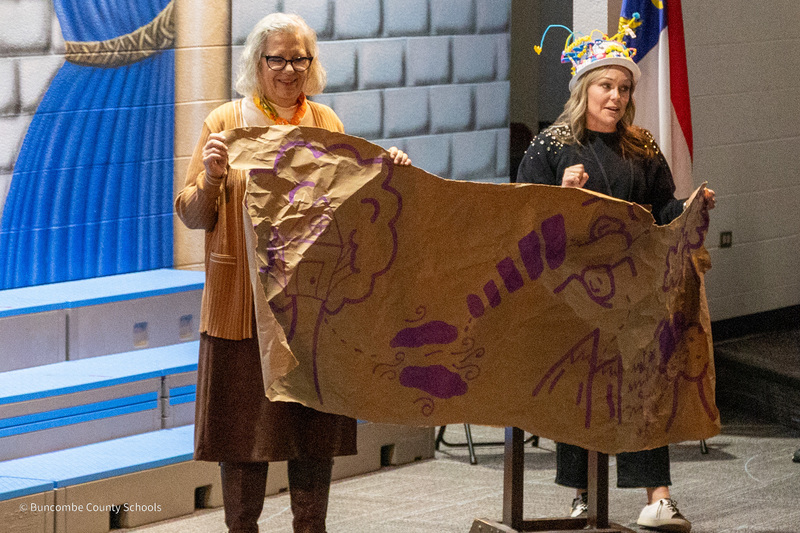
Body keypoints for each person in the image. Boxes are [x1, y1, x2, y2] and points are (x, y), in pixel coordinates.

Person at [175, 13, 410, 533]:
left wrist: (385, 172)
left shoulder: (327, 124)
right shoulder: (225, 123)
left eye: (298, 58)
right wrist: (214, 180)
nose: (287, 69)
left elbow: (351, 210)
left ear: (312, 63)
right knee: (242, 441)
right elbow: (192, 213)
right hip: (242, 310)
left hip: (312, 314)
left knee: (312, 438)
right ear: (256, 63)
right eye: (276, 58)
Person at [517, 20, 715, 533]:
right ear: (584, 89)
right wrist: (561, 192)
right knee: (582, 385)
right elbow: (522, 216)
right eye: (607, 85)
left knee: (643, 383)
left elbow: (663, 205)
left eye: (624, 88)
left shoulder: (642, 146)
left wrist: (689, 208)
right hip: (572, 289)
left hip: (634, 286)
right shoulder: (550, 146)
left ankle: (660, 498)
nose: (617, 96)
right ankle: (584, 493)